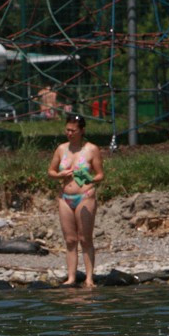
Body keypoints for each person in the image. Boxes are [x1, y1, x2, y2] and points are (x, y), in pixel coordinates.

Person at [47, 114, 105, 287]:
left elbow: (100, 174)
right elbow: (50, 171)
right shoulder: (61, 149)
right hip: (65, 197)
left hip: (85, 196)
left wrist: (91, 180)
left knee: (85, 238)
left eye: (73, 130)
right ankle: (71, 277)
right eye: (67, 130)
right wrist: (59, 174)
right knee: (70, 240)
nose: (69, 133)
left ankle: (89, 278)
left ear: (82, 131)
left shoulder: (91, 149)